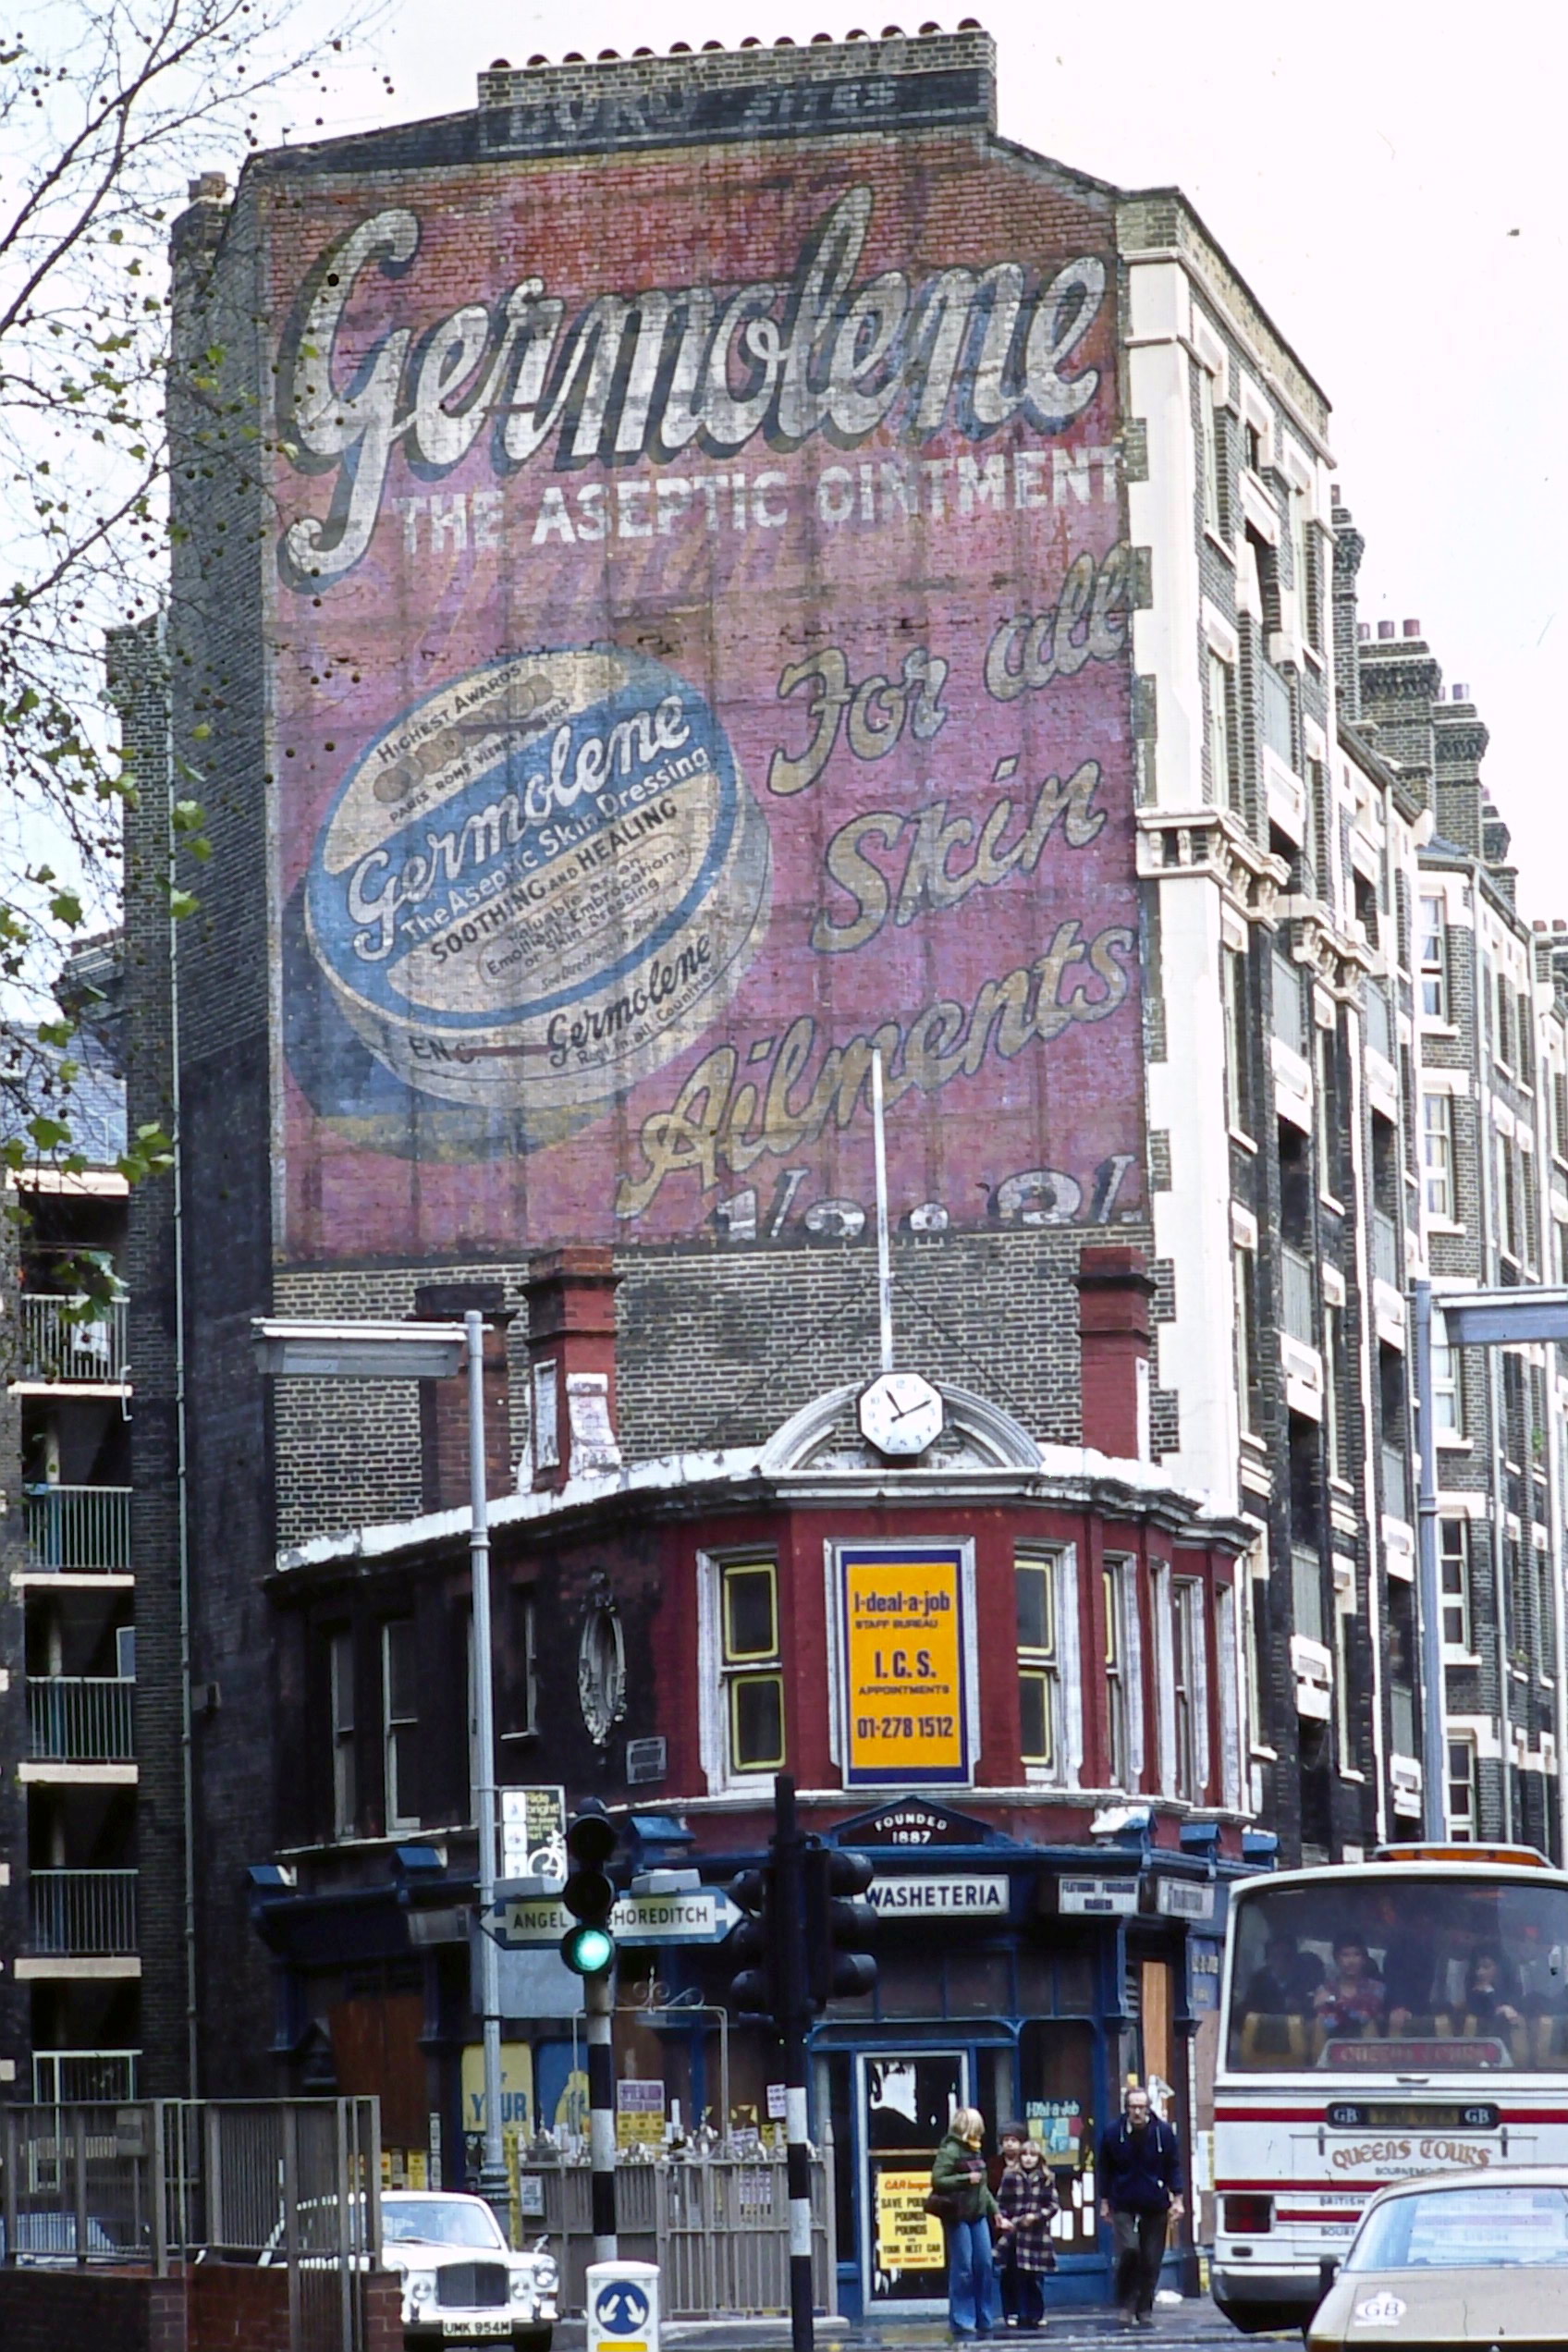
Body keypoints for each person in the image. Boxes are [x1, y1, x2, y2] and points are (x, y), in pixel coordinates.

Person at [1097, 2087, 1183, 2328]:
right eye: (1132, 2107)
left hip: (1154, 2202)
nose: (1137, 2112)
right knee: (1130, 2250)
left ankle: (1144, 2308)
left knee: (1151, 2259)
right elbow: (1105, 2168)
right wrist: (1104, 2201)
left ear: (1148, 2108)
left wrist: (1178, 2198)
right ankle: (1125, 2303)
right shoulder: (1113, 2133)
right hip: (1123, 2201)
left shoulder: (1162, 2133)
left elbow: (1173, 2165)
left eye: (1141, 2107)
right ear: (1126, 2108)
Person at [930, 2107, 1002, 2340]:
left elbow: (983, 2189)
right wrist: (964, 2178)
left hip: (978, 2214)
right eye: (975, 2128)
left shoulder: (976, 2150)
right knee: (963, 2268)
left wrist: (996, 2212)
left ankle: (984, 2316)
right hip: (958, 2214)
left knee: (984, 2263)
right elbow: (938, 2179)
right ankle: (963, 2319)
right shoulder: (950, 2149)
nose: (979, 2134)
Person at [996, 2136, 1059, 2331]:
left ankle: (1035, 2313)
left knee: (1035, 2277)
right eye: (1025, 2155)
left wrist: (1037, 2216)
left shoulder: (1046, 2178)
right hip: (1015, 2234)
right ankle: (1013, 2312)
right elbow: (1001, 2203)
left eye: (1033, 2155)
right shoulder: (1010, 2176)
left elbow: (1053, 2206)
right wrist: (1004, 2219)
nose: (1028, 2159)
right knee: (1014, 2274)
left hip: (1037, 2235)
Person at [1312, 1936, 1386, 2038]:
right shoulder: (1325, 1988)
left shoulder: (1377, 1988)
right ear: (1337, 1959)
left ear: (1364, 1959)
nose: (1351, 1961)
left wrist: (1332, 2001)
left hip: (1366, 2045)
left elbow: (1370, 2009)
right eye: (1345, 1955)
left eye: (1356, 1955)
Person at [992, 2125, 1028, 2326]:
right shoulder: (994, 2166)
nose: (1009, 2144)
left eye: (1013, 2140)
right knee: (1008, 2268)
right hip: (1003, 2223)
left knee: (1028, 2270)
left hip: (1025, 2224)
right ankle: (1010, 2311)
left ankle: (1029, 2310)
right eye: (1006, 2140)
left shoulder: (1028, 2163)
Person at [1243, 1933, 1323, 2015]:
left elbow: (1318, 2014)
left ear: (1295, 1959)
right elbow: (1247, 2013)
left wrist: (1301, 2008)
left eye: (1287, 1957)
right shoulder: (1258, 1982)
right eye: (1275, 1956)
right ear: (1267, 1960)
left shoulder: (1308, 1983)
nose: (1281, 1962)